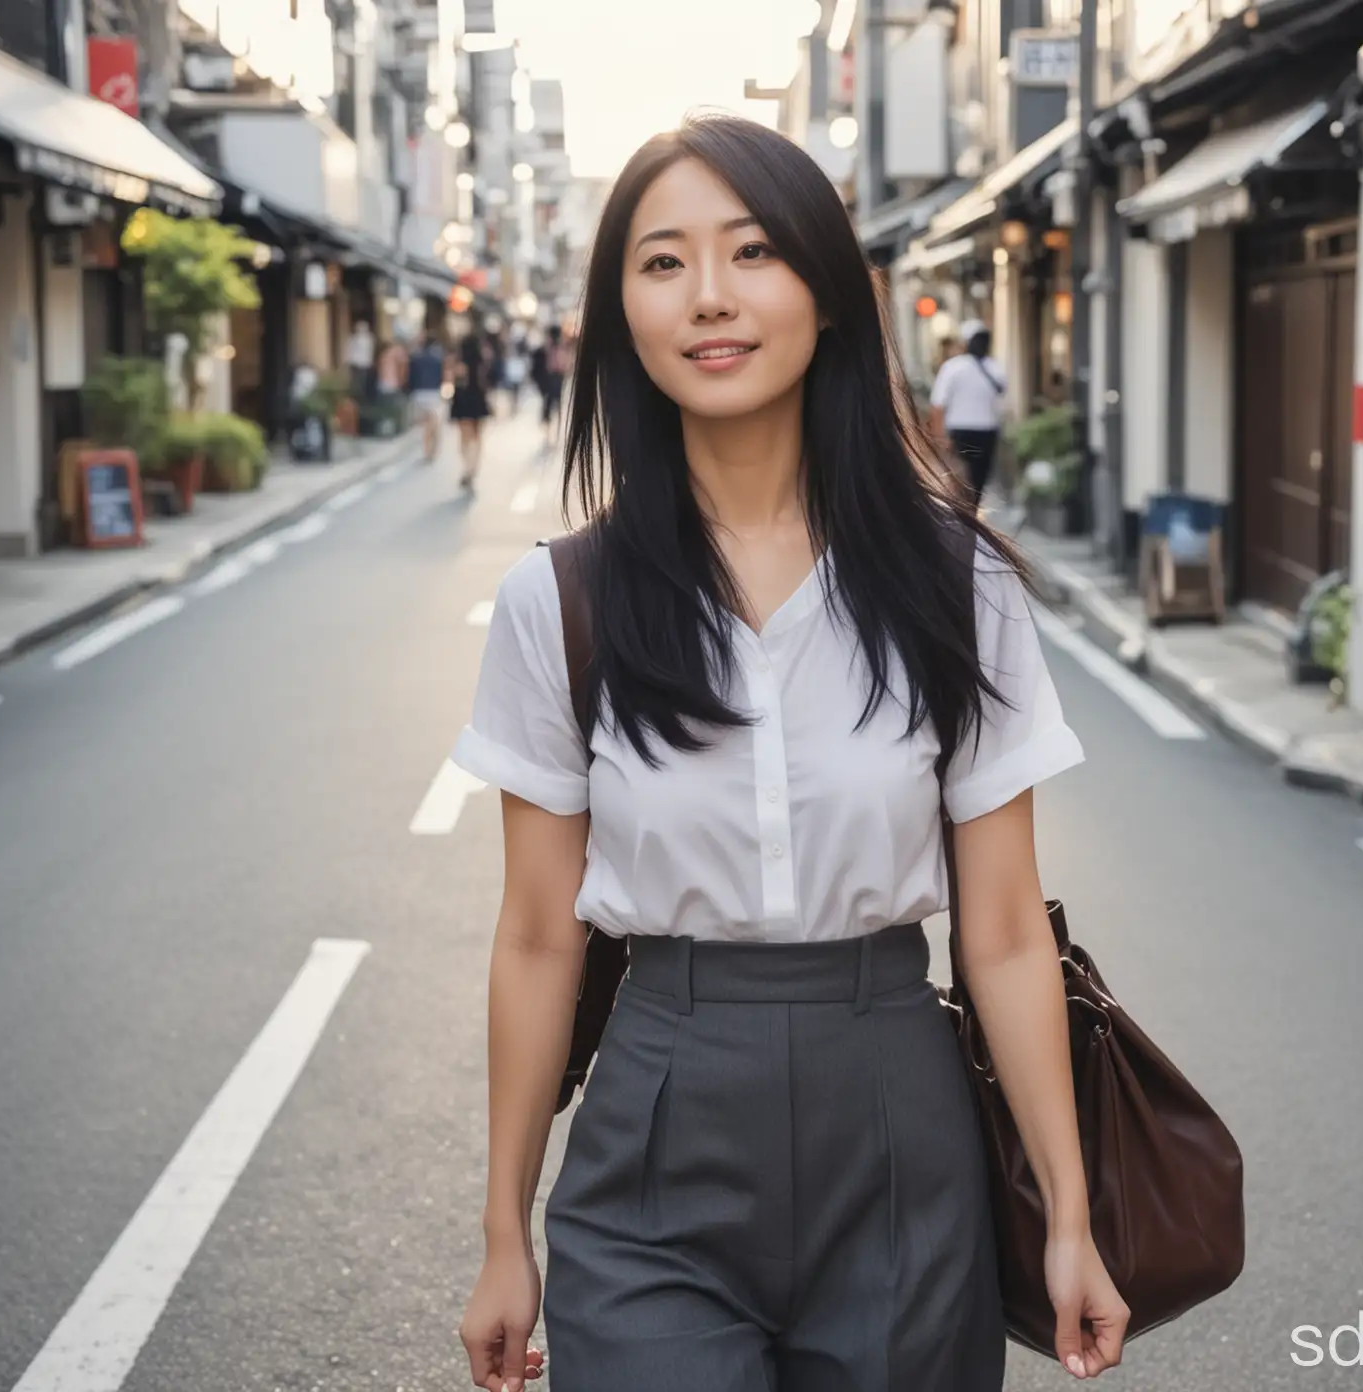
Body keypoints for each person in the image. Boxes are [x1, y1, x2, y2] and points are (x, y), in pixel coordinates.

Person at [452, 115, 1126, 1392]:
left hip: (900, 1118)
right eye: (662, 263)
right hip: (655, 1119)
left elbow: (1001, 932)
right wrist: (503, 1233)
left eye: (753, 250)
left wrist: (1069, 1215)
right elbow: (539, 936)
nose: (710, 296)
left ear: (826, 292)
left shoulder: (953, 584)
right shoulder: (563, 605)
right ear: (622, 319)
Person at [928, 317, 1008, 504]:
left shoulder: (953, 367)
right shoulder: (995, 368)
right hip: (987, 432)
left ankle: (965, 519)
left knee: (960, 481)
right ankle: (972, 515)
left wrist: (940, 438)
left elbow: (937, 405)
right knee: (978, 481)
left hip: (960, 433)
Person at [450, 330, 493, 490]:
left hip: (463, 402)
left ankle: (467, 467)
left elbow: (456, 383)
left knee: (465, 437)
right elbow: (488, 382)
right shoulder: (482, 362)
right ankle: (474, 467)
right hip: (479, 400)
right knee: (478, 437)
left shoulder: (460, 364)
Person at [406, 332, 446, 465]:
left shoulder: (415, 358)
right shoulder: (438, 358)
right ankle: (431, 450)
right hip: (434, 392)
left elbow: (411, 377)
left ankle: (427, 450)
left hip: (419, 393)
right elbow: (442, 377)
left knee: (427, 423)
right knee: (433, 423)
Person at [345, 319, 377, 401]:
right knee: (356, 382)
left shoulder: (369, 338)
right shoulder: (353, 338)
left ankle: (363, 397)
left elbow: (370, 351)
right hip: (356, 364)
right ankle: (356, 397)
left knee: (363, 382)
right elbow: (349, 351)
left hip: (365, 364)